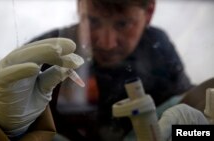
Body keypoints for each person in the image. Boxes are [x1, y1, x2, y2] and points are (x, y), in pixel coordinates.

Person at [28, 0, 193, 140]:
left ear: (149, 12)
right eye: (92, 21)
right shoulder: (44, 53)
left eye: (123, 24)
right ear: (79, 7)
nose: (107, 43)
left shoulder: (158, 46)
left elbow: (190, 110)